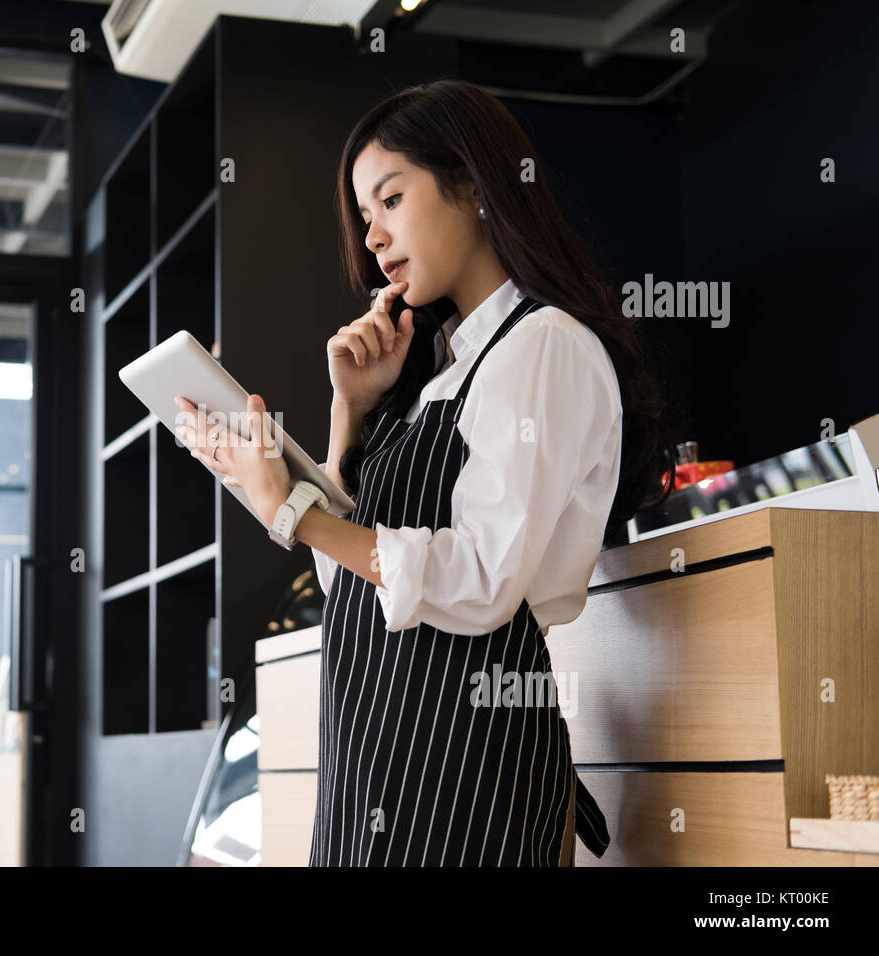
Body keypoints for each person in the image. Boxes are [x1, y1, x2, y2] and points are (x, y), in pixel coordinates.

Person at [175, 78, 674, 866]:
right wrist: (348, 412)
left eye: (391, 199)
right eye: (364, 217)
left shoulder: (542, 346)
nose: (372, 238)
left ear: (473, 184)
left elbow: (480, 581)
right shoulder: (435, 376)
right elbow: (353, 583)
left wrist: (293, 514)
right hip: (371, 758)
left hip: (468, 768)